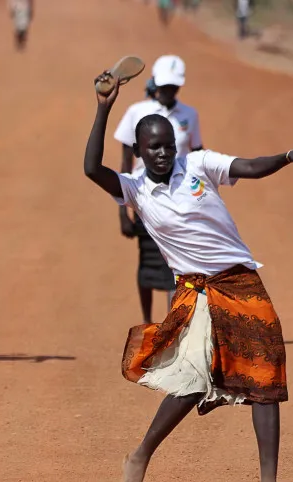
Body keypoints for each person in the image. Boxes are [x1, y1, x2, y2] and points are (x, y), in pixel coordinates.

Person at [83, 72, 293, 482]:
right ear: (138, 151)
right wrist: (102, 108)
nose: (163, 153)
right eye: (153, 147)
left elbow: (248, 167)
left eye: (168, 145)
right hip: (196, 292)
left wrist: (287, 156)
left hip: (241, 280)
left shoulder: (197, 163)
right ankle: (140, 455)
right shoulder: (134, 188)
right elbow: (90, 169)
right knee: (192, 380)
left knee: (265, 375)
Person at [113, 56, 202, 323]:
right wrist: (122, 213)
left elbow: (198, 156)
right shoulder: (136, 112)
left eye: (174, 87)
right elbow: (125, 164)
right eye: (165, 86)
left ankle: (173, 322)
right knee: (149, 263)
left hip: (180, 200)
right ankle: (148, 324)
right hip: (145, 197)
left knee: (179, 265)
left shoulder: (190, 115)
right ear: (155, 83)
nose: (169, 92)